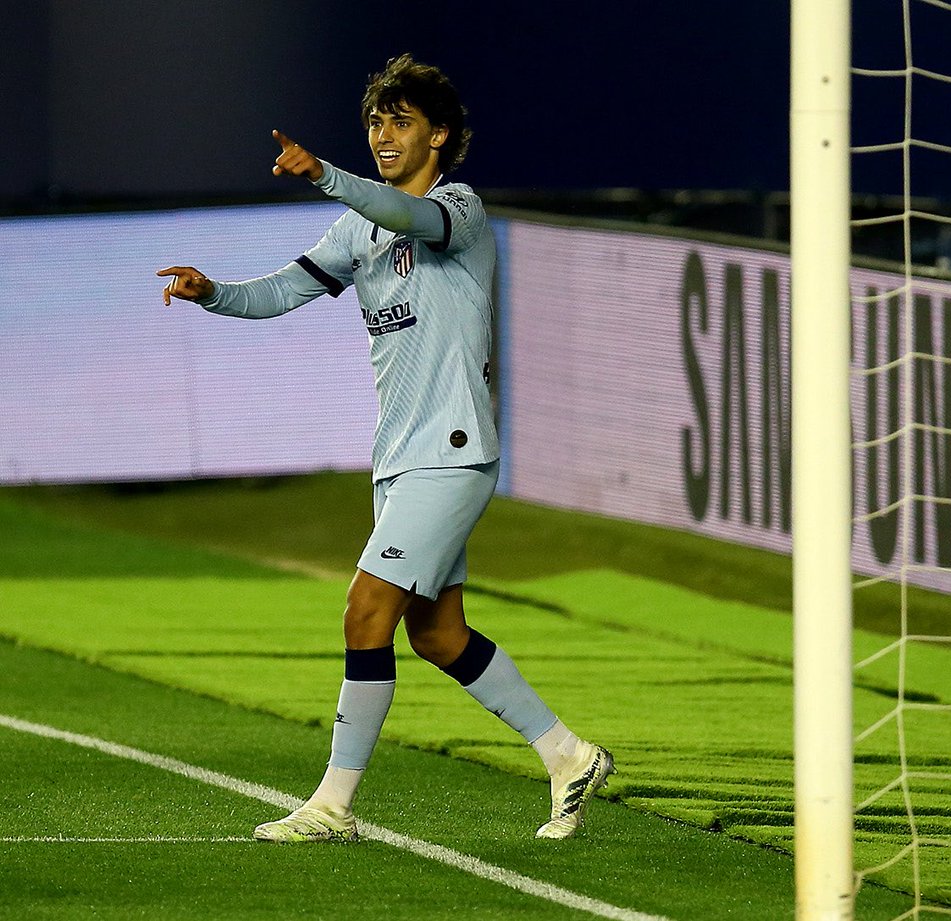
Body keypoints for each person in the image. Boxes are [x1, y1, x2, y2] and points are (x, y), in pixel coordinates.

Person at [157, 54, 613, 842]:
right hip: (399, 455)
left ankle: (332, 806)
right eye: (375, 121)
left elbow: (410, 219)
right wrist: (215, 295)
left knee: (365, 610)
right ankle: (568, 754)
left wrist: (325, 173)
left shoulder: (458, 209)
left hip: (453, 448)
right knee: (436, 633)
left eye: (400, 121)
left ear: (438, 133)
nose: (383, 134)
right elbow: (282, 291)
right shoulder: (358, 224)